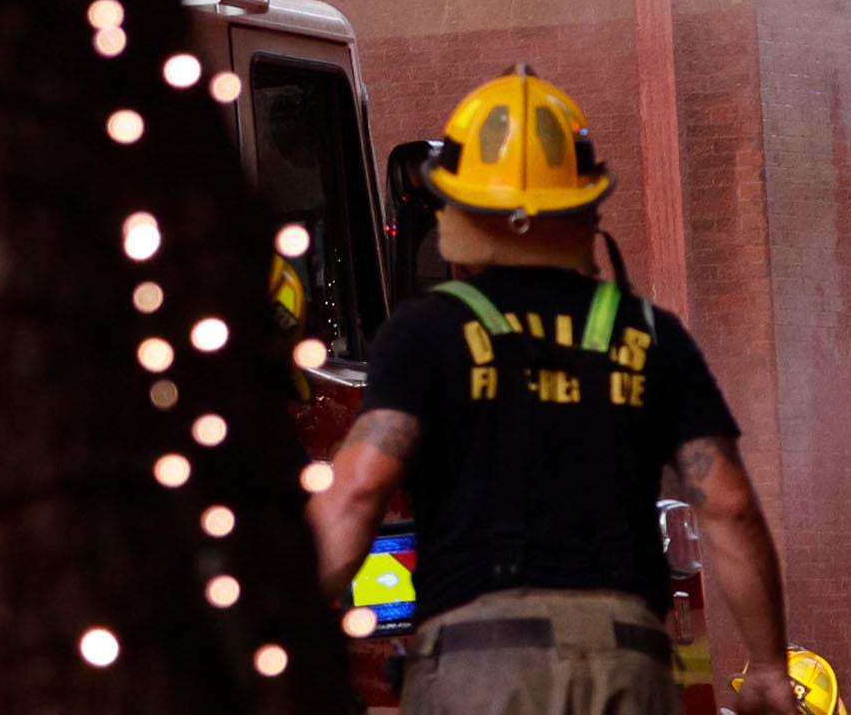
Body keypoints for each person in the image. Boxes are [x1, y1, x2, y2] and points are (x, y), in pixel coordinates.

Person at [310, 67, 792, 715]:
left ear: (456, 216)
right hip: (629, 667)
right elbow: (729, 507)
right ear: (586, 212)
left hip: (476, 674)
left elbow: (358, 493)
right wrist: (766, 666)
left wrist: (257, 632)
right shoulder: (650, 334)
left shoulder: (424, 332)